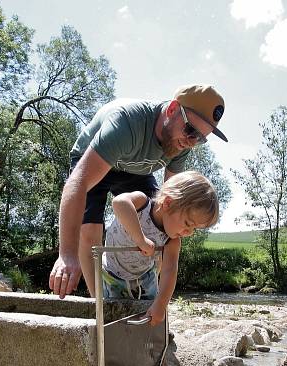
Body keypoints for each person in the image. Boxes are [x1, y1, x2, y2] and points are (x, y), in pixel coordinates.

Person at [49, 84, 228, 298]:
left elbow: (170, 204)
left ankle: (143, 292)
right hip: (95, 159)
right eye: (190, 130)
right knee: (90, 232)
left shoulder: (181, 144)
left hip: (135, 169)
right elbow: (77, 183)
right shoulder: (126, 123)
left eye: (199, 138)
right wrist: (67, 254)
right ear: (172, 109)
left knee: (159, 226)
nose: (191, 142)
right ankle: (100, 303)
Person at [102, 171, 218, 325]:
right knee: (111, 316)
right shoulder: (142, 203)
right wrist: (141, 239)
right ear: (168, 203)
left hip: (145, 278)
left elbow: (170, 270)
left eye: (194, 229)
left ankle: (151, 340)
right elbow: (119, 202)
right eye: (188, 224)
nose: (189, 233)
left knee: (150, 313)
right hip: (112, 273)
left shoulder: (171, 240)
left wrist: (161, 304)